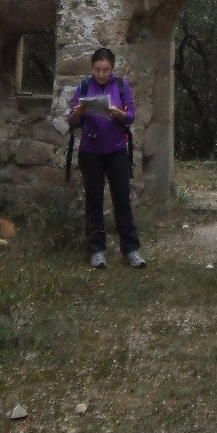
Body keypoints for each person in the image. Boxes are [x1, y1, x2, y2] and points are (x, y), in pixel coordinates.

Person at [68, 47, 146, 269]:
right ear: (91, 67)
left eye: (106, 70)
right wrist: (79, 112)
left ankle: (130, 249)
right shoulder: (84, 86)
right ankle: (97, 249)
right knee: (94, 200)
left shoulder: (121, 86)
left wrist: (117, 113)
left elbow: (130, 117)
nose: (101, 74)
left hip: (117, 150)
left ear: (112, 69)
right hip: (90, 151)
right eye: (97, 70)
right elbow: (71, 121)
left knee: (122, 198)